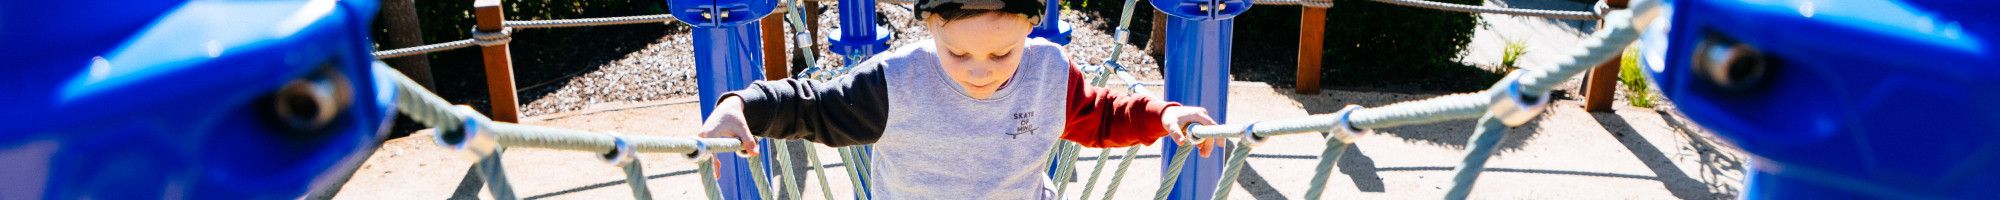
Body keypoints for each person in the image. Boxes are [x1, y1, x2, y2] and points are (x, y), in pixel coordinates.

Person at [698, 0, 1222, 198]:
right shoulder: (894, 84)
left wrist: (1164, 113)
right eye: (957, 53)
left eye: (1002, 53)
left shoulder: (1047, 72)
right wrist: (738, 106)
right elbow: (809, 105)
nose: (979, 71)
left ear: (1031, 29)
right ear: (929, 27)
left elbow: (1104, 116)